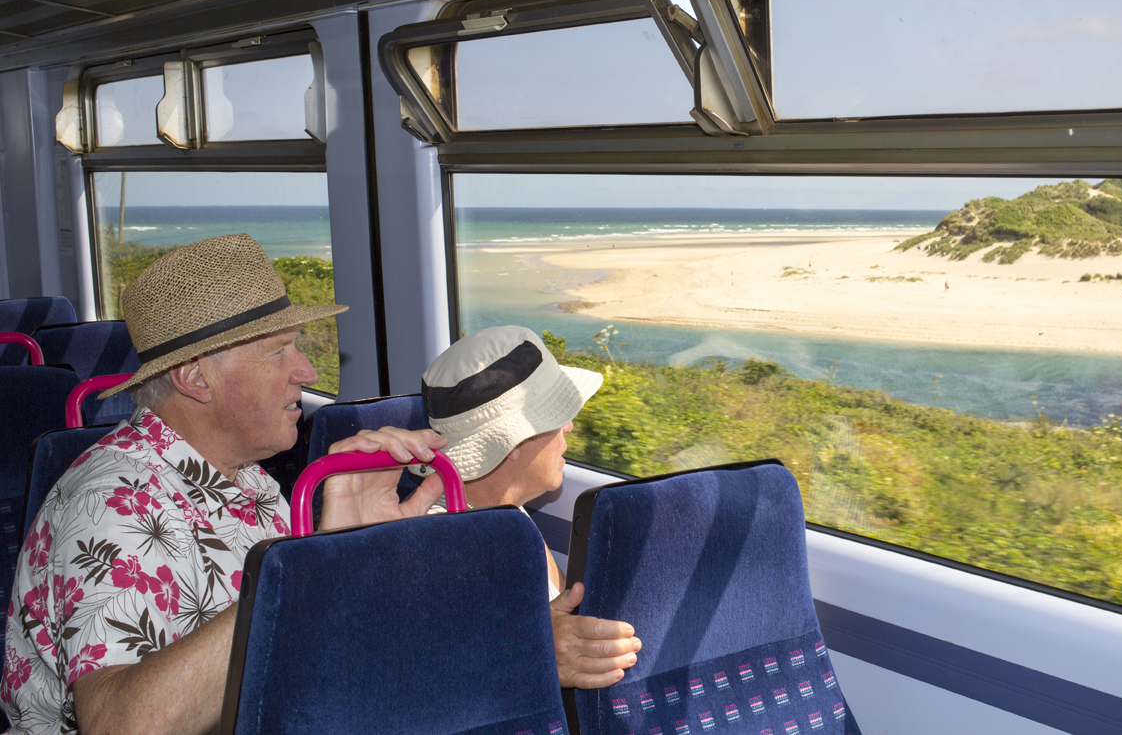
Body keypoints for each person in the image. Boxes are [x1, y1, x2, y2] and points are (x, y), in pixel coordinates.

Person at [2, 234, 447, 735]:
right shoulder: (115, 504)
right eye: (278, 351)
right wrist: (306, 564)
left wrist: (344, 554)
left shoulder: (249, 479)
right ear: (195, 378)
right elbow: (119, 726)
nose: (307, 369)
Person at [419, 325, 643, 690]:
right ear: (512, 445)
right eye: (555, 417)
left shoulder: (506, 513)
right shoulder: (445, 548)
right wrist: (528, 648)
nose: (569, 426)